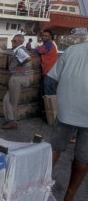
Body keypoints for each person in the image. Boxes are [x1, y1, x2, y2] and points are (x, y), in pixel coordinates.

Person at [48, 41, 88, 201]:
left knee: (55, 149)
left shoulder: (72, 50)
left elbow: (54, 78)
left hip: (67, 110)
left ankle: (39, 185)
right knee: (83, 158)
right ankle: (69, 196)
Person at [2, 34, 31, 129]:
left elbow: (28, 58)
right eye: (12, 40)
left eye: (14, 41)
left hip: (16, 78)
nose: (12, 42)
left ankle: (12, 121)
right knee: (7, 99)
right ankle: (10, 120)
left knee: (12, 100)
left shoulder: (20, 50)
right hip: (15, 77)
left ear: (20, 41)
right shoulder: (18, 50)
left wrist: (19, 66)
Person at [34, 30, 58, 95]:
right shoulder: (46, 44)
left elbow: (37, 50)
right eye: (43, 35)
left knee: (49, 93)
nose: (44, 37)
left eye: (46, 36)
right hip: (47, 71)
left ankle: (51, 105)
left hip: (50, 72)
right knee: (44, 92)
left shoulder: (49, 45)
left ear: (50, 37)